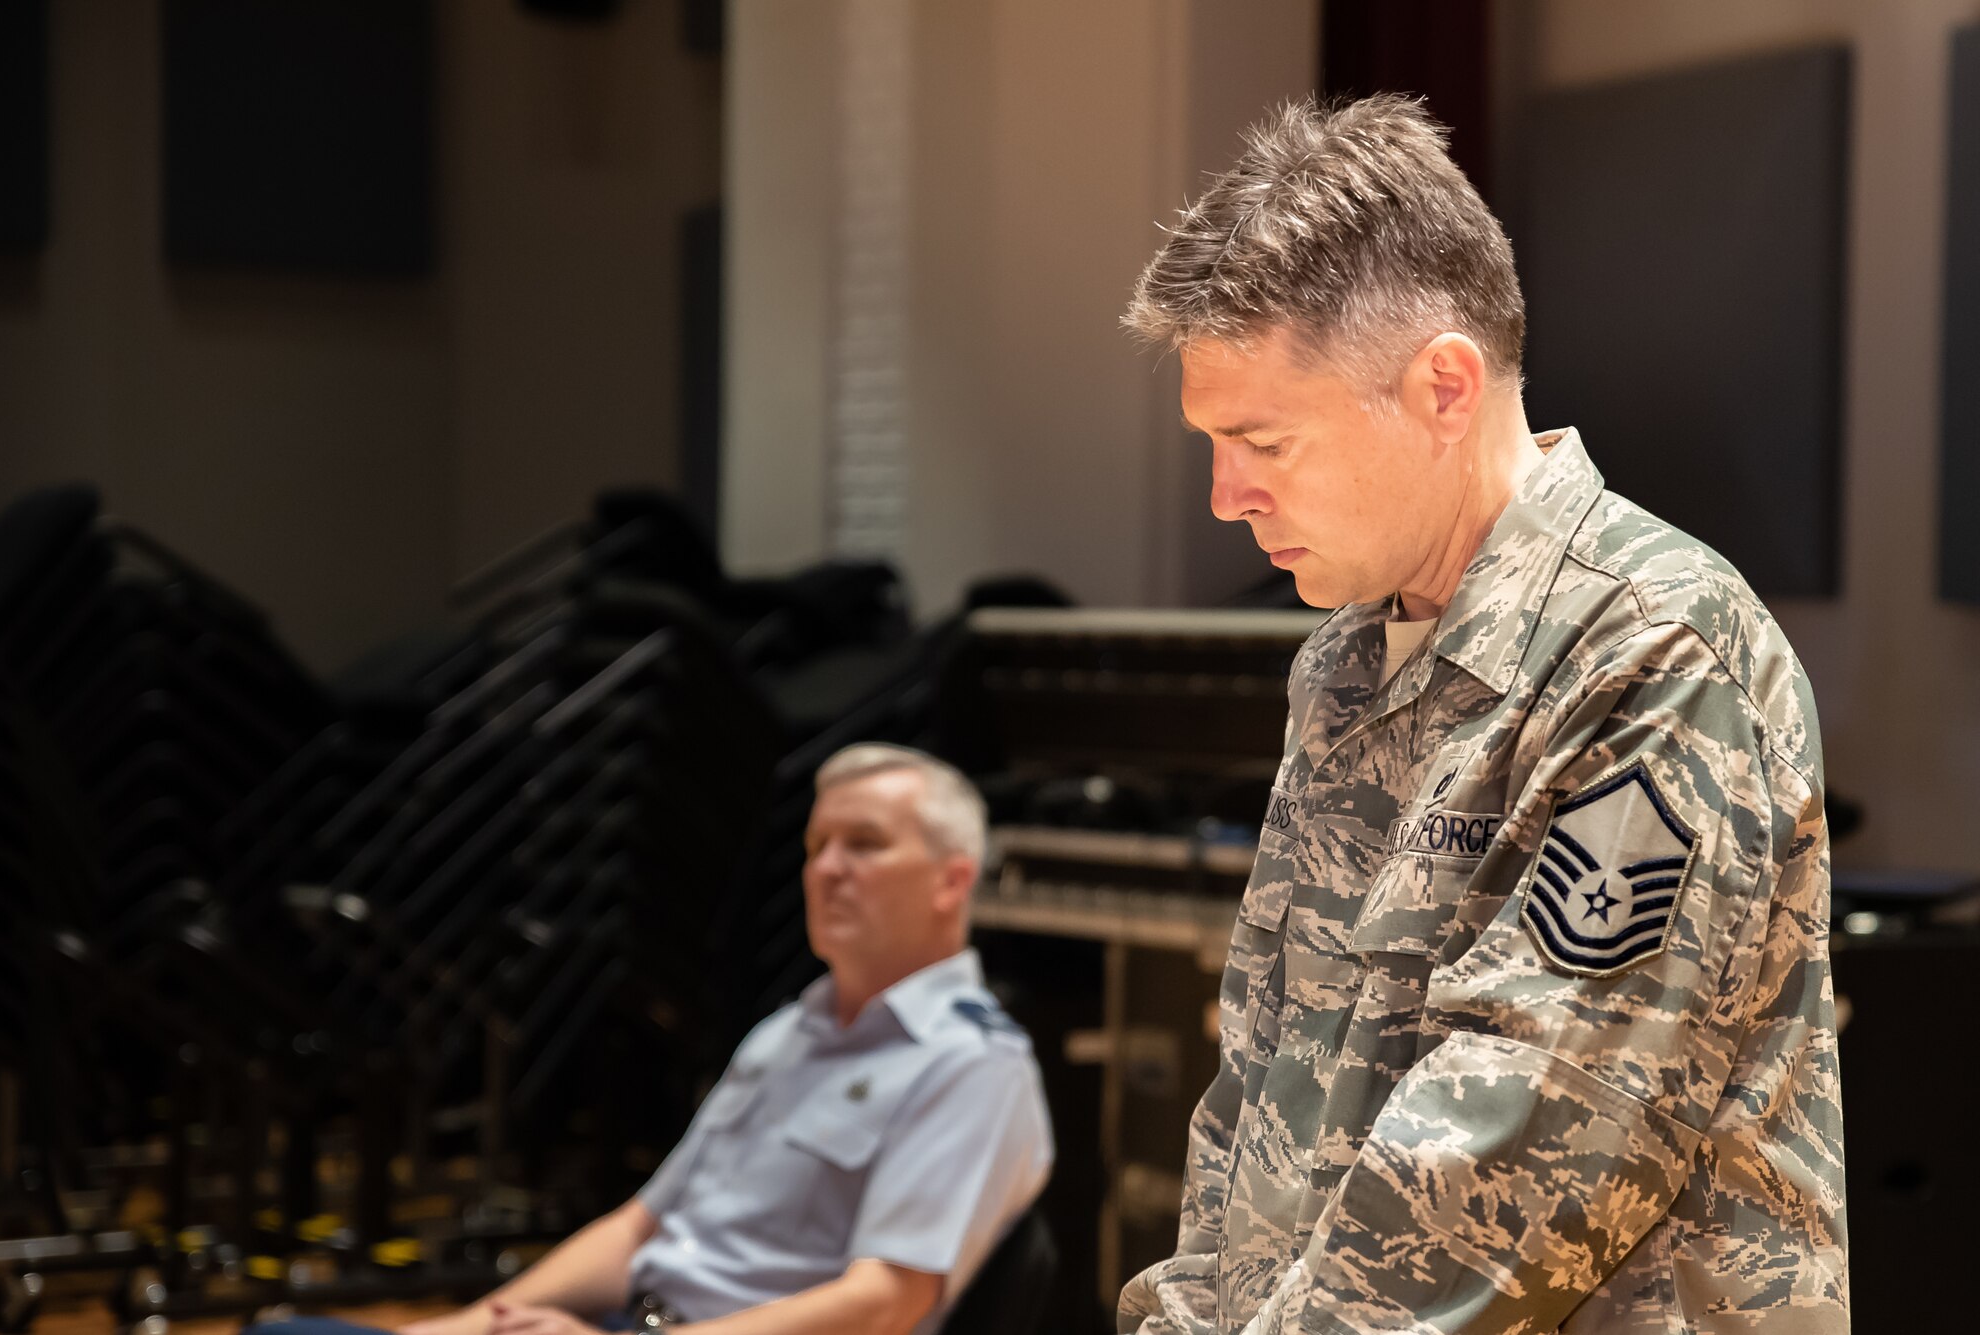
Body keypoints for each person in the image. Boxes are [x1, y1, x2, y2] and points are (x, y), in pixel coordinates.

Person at [1115, 95, 1846, 1334]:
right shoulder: (1346, 661)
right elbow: (1257, 1083)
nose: (1225, 498)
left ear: (1442, 386)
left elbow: (1531, 1137)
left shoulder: (1654, 646)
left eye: (1261, 442)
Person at [267, 744, 1051, 1335]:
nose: (827, 870)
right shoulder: (792, 1028)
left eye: (864, 844)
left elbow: (884, 1302)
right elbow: (641, 1226)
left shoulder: (971, 1062)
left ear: (953, 879)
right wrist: (465, 1325)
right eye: (816, 847)